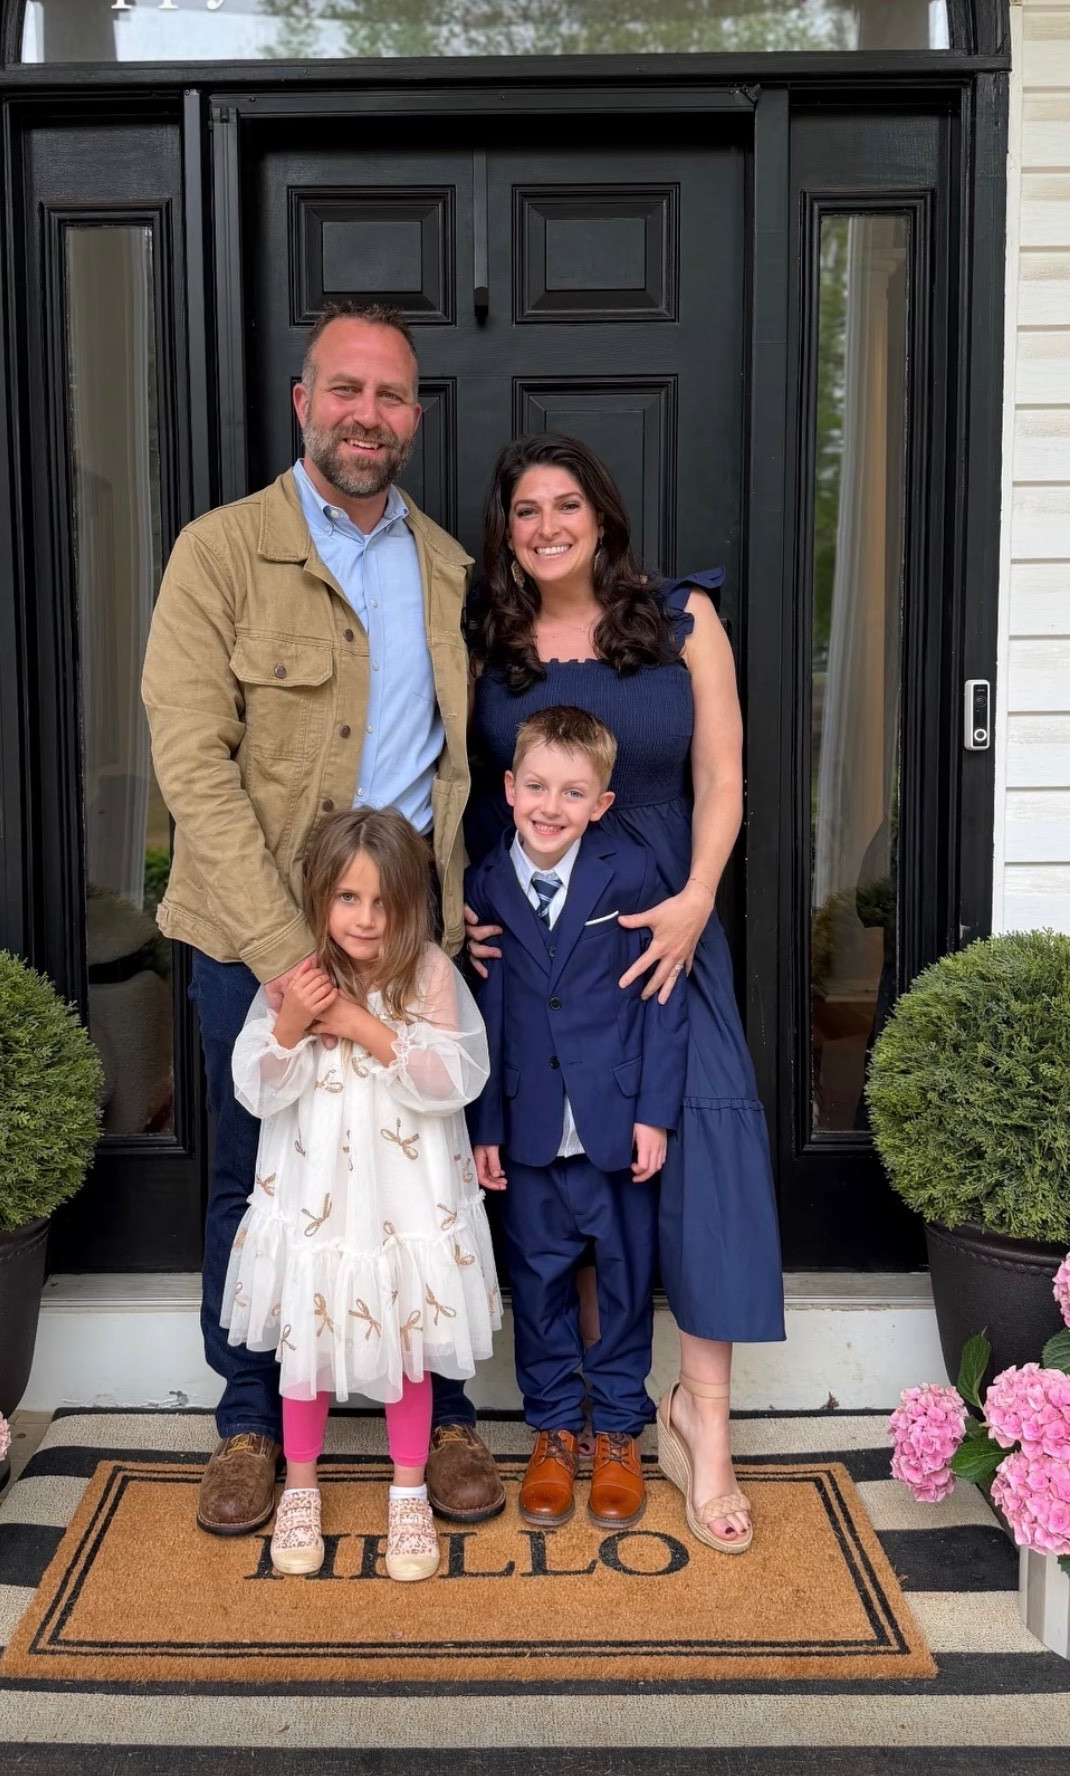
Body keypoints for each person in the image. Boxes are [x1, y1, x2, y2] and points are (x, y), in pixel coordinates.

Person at [142, 299, 504, 1539]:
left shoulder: (448, 568)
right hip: (253, 940)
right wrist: (288, 959)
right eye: (344, 389)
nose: (367, 413)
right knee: (258, 1180)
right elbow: (193, 768)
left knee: (429, 1172)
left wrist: (464, 915)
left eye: (391, 395)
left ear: (414, 418)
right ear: (304, 403)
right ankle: (249, 1423)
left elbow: (464, 767)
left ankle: (445, 1416)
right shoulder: (220, 553)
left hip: (409, 945)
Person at [465, 433, 786, 1555]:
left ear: (602, 515)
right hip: (541, 937)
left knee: (701, 1150)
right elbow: (462, 785)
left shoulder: (683, 619)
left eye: (567, 504)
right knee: (571, 1173)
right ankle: (595, 1421)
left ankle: (705, 1420)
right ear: (506, 533)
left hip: (664, 927)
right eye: (525, 510)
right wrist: (458, 908)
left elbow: (724, 775)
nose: (547, 526)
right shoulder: (489, 637)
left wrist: (697, 900)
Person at [224, 808, 500, 1581]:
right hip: (318, 1203)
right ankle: (300, 1486)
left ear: (412, 903)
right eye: (349, 898)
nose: (367, 918)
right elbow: (257, 1090)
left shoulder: (428, 973)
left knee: (406, 1337)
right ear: (320, 897)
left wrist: (356, 1023)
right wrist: (294, 1023)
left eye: (384, 901)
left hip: (404, 1206)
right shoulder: (298, 977)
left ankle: (408, 1490)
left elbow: (451, 1080)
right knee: (305, 1346)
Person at [466, 707, 687, 1530]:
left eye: (572, 792)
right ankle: (555, 1430)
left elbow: (663, 997)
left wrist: (655, 1113)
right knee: (538, 1283)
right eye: (536, 787)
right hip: (527, 1130)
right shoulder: (484, 883)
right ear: (508, 788)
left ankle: (620, 1431)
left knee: (625, 1282)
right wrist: (485, 1126)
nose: (550, 806)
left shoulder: (632, 872)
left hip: (615, 1122)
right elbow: (484, 1017)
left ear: (602, 803)